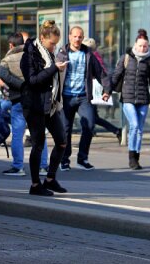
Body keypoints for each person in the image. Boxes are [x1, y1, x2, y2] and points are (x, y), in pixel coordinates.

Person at [20, 19, 69, 196]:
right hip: (35, 105)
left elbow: (50, 78)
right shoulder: (29, 55)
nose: (54, 48)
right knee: (38, 145)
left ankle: (50, 179)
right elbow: (32, 80)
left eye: (56, 45)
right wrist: (54, 69)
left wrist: (57, 69)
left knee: (62, 141)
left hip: (51, 104)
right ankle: (35, 185)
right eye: (51, 44)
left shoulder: (49, 55)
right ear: (42, 38)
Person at [106, 29, 150, 170]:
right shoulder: (126, 58)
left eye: (145, 46)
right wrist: (107, 91)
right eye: (140, 45)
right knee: (135, 125)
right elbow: (116, 76)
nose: (142, 48)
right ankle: (131, 157)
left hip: (143, 100)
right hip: (128, 98)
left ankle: (136, 156)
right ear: (135, 45)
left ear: (148, 46)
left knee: (140, 130)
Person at [55, 26, 108, 171]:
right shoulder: (62, 54)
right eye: (75, 36)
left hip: (83, 96)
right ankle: (64, 160)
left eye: (80, 37)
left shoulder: (88, 53)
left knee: (89, 125)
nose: (77, 39)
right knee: (65, 130)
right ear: (69, 37)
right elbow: (52, 74)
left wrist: (106, 90)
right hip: (66, 97)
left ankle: (82, 158)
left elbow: (101, 73)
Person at [0, 32, 48, 176]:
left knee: (17, 135)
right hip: (36, 99)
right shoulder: (35, 56)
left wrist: (22, 86)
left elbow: (2, 75)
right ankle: (43, 166)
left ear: (11, 45)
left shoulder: (7, 59)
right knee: (39, 134)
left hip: (18, 100)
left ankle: (18, 166)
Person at [83, 37, 123, 141]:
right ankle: (116, 131)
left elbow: (101, 73)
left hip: (91, 90)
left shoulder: (92, 56)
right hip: (89, 90)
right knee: (94, 117)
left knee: (91, 117)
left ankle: (116, 131)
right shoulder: (94, 55)